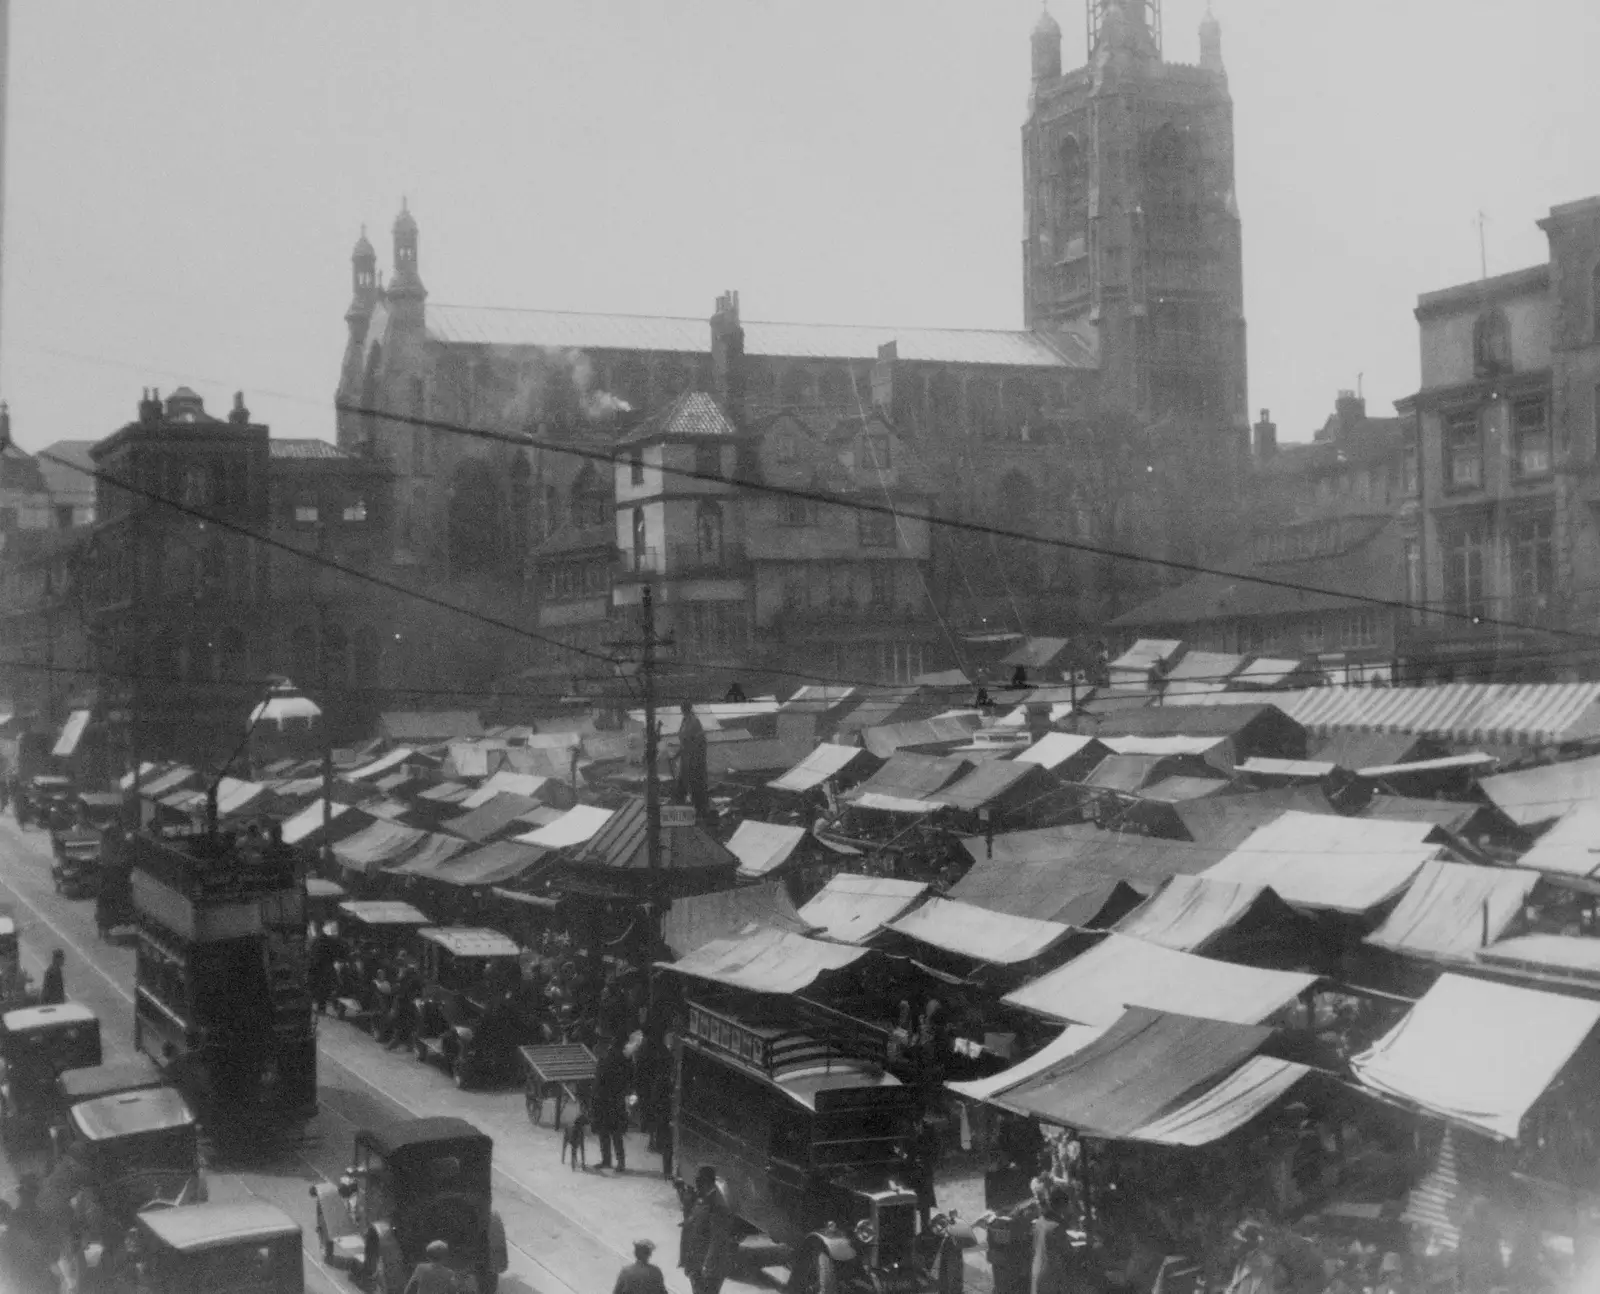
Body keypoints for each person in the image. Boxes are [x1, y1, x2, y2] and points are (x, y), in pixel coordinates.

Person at [679, 1166, 733, 1294]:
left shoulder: (717, 1206)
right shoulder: (702, 1200)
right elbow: (692, 1226)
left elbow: (717, 1239)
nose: (696, 1187)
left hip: (708, 1269)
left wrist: (707, 1268)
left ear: (708, 1183)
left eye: (699, 1183)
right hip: (696, 1264)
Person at [592, 1035, 631, 1171]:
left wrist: (595, 1098)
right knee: (615, 1133)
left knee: (606, 1132)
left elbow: (598, 1082)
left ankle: (608, 1161)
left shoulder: (605, 1061)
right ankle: (619, 1162)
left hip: (605, 1101)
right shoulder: (624, 1061)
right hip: (616, 1101)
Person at [673, 702, 710, 820]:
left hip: (694, 759)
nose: (682, 710)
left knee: (695, 785)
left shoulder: (694, 722)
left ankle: (699, 812)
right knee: (682, 785)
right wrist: (677, 755)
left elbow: (698, 741)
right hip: (686, 758)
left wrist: (692, 755)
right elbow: (684, 742)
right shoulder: (685, 721)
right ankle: (681, 811)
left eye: (684, 708)